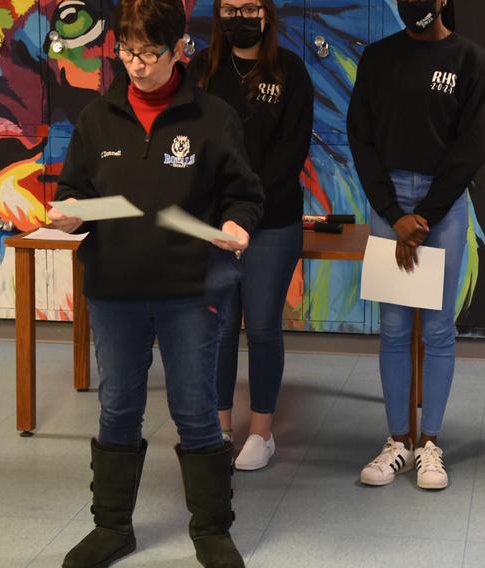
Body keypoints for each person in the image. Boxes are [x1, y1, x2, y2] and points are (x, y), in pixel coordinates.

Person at [47, 0, 264, 565]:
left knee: (195, 408)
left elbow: (245, 192)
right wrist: (70, 211)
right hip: (115, 288)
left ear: (178, 50)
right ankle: (113, 527)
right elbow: (73, 190)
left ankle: (212, 530)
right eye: (126, 51)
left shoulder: (212, 118)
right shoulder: (98, 119)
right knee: (118, 405)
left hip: (188, 289)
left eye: (148, 52)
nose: (135, 64)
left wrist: (238, 222)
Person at [347, 0, 485, 490]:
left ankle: (431, 444)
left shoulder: (469, 59)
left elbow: (471, 146)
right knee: (391, 326)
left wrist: (423, 215)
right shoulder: (378, 58)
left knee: (438, 328)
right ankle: (397, 442)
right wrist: (393, 213)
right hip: (390, 205)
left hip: (442, 207)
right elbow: (360, 138)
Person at [189, 0, 314, 471]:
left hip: (273, 221)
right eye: (230, 7)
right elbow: (193, 145)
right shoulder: (202, 69)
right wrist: (220, 214)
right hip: (213, 225)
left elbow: (292, 148)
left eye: (249, 7)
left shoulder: (290, 71)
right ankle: (220, 428)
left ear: (267, 13)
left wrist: (246, 210)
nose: (239, 16)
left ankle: (261, 433)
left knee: (261, 327)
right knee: (219, 329)